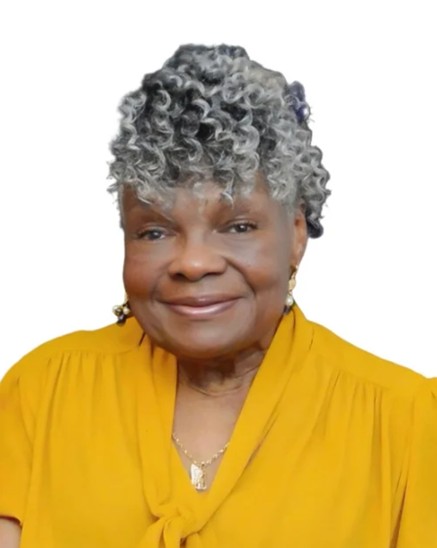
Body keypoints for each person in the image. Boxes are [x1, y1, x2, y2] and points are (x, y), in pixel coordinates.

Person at [0, 44, 436, 548]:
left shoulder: (403, 421)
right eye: (155, 231)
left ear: (296, 233)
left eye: (238, 226)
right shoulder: (43, 392)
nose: (193, 262)